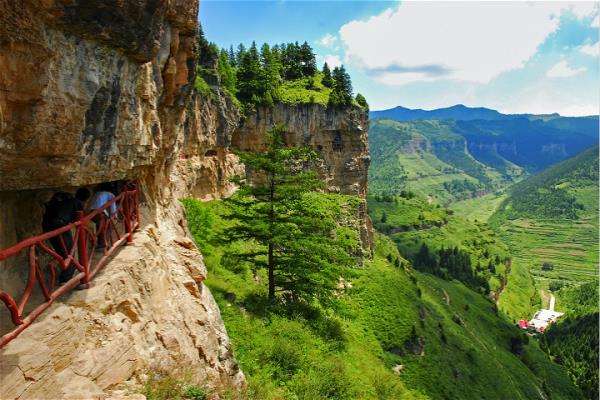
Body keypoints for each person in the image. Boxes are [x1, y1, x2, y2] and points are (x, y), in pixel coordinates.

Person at [42, 188, 90, 283]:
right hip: (60, 225)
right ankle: (66, 278)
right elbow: (79, 220)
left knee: (61, 250)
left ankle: (65, 274)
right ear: (86, 198)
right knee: (69, 251)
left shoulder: (64, 201)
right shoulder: (77, 202)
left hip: (47, 224)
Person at [87, 183, 117, 248]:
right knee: (107, 226)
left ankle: (99, 243)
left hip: (91, 212)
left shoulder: (97, 193)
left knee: (99, 226)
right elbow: (113, 207)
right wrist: (114, 216)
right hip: (100, 213)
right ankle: (103, 243)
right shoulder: (111, 195)